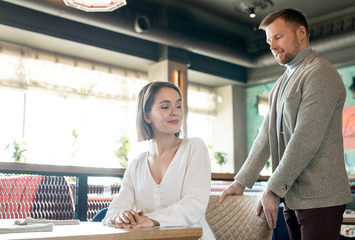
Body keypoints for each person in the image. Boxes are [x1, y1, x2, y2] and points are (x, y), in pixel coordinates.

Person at [219, 8, 352, 240]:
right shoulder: (281, 83)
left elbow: (305, 138)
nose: (272, 46)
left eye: (278, 37)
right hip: (293, 196)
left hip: (321, 198)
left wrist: (271, 188)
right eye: (269, 41)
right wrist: (240, 182)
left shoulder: (321, 73)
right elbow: (265, 136)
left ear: (301, 32)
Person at [102, 81, 215, 240]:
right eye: (165, 107)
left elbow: (194, 206)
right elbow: (115, 210)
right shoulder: (136, 164)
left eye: (178, 105)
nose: (175, 112)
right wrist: (121, 217)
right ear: (147, 116)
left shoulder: (194, 147)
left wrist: (149, 219)